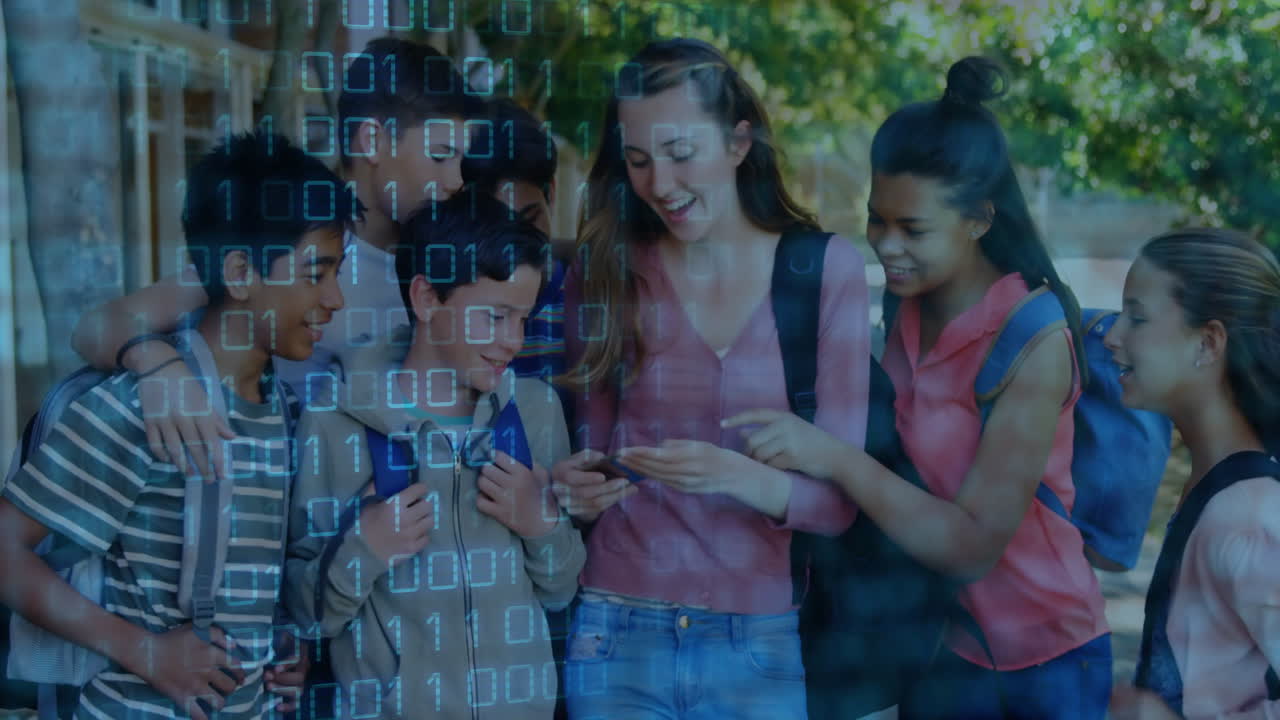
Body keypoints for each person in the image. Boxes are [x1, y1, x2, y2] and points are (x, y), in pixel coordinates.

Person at [724, 57, 1112, 719]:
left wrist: (833, 457)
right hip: (938, 647)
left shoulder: (1033, 337)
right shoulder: (906, 309)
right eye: (877, 220)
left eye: (914, 229)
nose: (887, 244)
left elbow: (971, 547)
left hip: (1045, 662)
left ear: (979, 219)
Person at [549, 38, 869, 719]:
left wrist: (738, 477)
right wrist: (575, 488)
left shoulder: (822, 272)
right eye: (638, 160)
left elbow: (843, 502)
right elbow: (589, 465)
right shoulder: (605, 269)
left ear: (738, 142)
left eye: (680, 153)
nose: (659, 183)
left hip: (757, 640)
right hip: (615, 630)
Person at [0, 130, 354, 720]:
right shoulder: (142, 407)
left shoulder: (283, 411)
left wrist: (277, 642)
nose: (337, 298)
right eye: (316, 273)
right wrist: (144, 650)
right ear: (239, 273)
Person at [66, 36, 478, 484]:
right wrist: (161, 367)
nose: (456, 180)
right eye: (440, 155)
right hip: (269, 496)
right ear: (373, 140)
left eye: (462, 160)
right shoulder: (288, 250)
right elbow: (95, 327)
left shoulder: (443, 268)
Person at [281, 188, 586, 720]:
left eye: (523, 319)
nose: (514, 341)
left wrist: (541, 524)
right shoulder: (334, 421)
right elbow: (307, 616)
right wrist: (364, 548)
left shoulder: (534, 412)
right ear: (426, 299)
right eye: (495, 317)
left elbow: (561, 589)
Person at [1105, 229, 1280, 720]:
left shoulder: (1248, 517)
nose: (1113, 335)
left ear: (1207, 343)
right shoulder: (1216, 489)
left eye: (1137, 318)